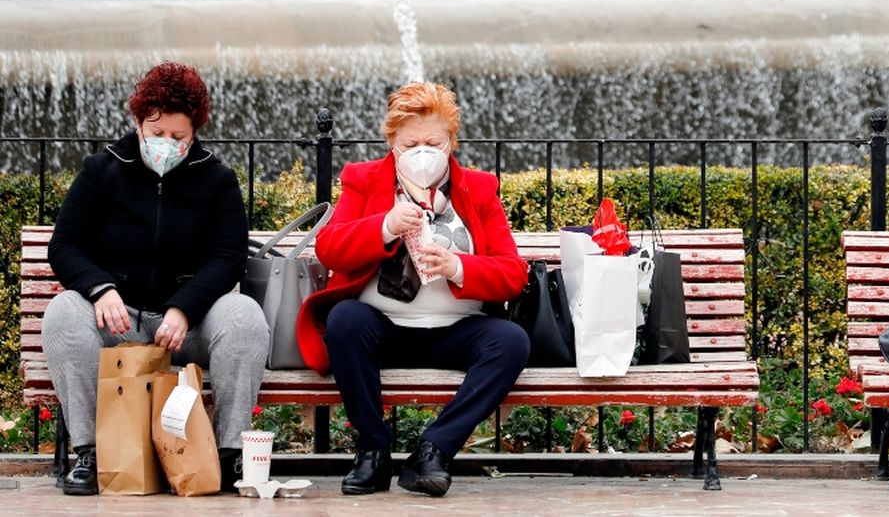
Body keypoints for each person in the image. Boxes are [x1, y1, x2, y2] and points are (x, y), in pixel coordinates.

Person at [44, 61, 268, 495]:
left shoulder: (217, 180)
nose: (166, 144)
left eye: (178, 137)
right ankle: (93, 454)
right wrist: (99, 288)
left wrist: (185, 307)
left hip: (189, 325)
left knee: (243, 316)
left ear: (195, 132)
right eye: (157, 134)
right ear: (137, 123)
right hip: (118, 320)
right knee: (63, 313)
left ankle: (227, 455)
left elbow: (228, 257)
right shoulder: (100, 170)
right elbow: (65, 246)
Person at [295, 82, 529, 498]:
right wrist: (384, 225)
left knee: (511, 342)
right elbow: (329, 248)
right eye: (410, 143)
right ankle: (372, 450)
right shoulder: (363, 180)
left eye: (433, 142)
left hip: (456, 330)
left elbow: (513, 272)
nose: (423, 151)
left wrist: (459, 267)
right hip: (383, 327)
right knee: (345, 320)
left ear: (451, 142)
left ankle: (433, 450)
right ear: (392, 143)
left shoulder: (478, 187)